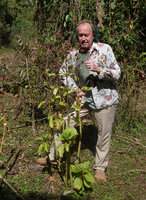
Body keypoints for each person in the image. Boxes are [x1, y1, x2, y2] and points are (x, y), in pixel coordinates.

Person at [36, 20, 121, 182]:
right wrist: (75, 89)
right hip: (84, 99)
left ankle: (100, 168)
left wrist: (99, 70)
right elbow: (63, 73)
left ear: (93, 35)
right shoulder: (74, 54)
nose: (83, 38)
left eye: (86, 35)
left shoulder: (104, 49)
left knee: (103, 135)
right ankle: (52, 158)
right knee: (64, 124)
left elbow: (117, 74)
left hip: (105, 101)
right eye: (80, 35)